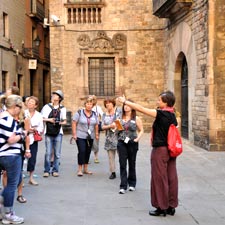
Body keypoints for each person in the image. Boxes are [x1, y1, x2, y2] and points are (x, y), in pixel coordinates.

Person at [117, 91, 179, 216]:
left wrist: (125, 101)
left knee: (159, 178)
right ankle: (171, 206)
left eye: (159, 100)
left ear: (166, 102)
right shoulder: (173, 115)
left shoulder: (161, 114)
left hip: (160, 150)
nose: (157, 102)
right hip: (171, 150)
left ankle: (161, 207)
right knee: (171, 177)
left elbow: (141, 108)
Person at [0, 95, 29, 224]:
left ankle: (4, 204)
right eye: (20, 107)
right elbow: (11, 140)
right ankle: (8, 214)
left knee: (14, 182)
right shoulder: (7, 119)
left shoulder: (4, 118)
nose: (20, 110)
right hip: (10, 154)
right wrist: (23, 133)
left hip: (6, 154)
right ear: (15, 106)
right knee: (12, 184)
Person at [115, 99, 143, 194]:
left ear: (132, 107)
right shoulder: (120, 118)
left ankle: (132, 184)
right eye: (124, 105)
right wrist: (116, 127)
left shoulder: (136, 118)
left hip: (132, 143)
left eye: (128, 105)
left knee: (132, 163)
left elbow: (141, 130)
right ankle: (123, 186)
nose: (126, 107)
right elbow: (118, 130)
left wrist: (137, 139)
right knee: (122, 164)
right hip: (122, 142)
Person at [41, 90, 67, 177]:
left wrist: (59, 122)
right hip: (48, 131)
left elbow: (65, 121)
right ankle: (47, 170)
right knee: (48, 152)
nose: (53, 96)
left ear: (59, 98)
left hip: (58, 132)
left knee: (57, 153)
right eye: (53, 95)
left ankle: (55, 170)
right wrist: (50, 120)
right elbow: (42, 118)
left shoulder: (63, 108)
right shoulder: (46, 107)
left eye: (55, 95)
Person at [72, 96, 99, 176]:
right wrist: (74, 134)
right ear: (85, 104)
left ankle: (86, 169)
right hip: (80, 135)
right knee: (82, 151)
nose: (89, 105)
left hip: (90, 136)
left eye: (91, 104)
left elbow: (96, 125)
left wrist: (97, 134)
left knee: (88, 152)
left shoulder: (94, 114)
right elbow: (74, 122)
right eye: (87, 104)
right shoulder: (79, 113)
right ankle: (80, 169)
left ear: (93, 105)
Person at [24, 96, 44, 185]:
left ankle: (31, 178)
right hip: (23, 139)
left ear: (36, 105)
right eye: (29, 102)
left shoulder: (39, 115)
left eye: (32, 102)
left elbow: (41, 128)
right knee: (21, 159)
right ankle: (20, 180)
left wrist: (32, 129)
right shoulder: (23, 113)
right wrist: (28, 129)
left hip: (33, 139)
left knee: (32, 159)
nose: (30, 103)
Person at [101, 97, 119, 179]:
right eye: (106, 103)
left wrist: (116, 126)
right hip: (109, 138)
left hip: (119, 137)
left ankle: (123, 171)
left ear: (113, 104)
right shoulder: (104, 115)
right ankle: (113, 172)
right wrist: (110, 126)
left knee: (122, 156)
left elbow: (121, 123)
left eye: (109, 102)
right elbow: (102, 126)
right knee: (111, 156)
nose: (108, 104)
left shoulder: (118, 112)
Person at [91, 95, 103, 163]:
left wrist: (100, 121)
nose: (92, 101)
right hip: (88, 127)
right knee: (88, 142)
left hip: (96, 126)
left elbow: (102, 115)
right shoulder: (87, 107)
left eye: (93, 99)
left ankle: (96, 157)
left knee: (96, 142)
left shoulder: (97, 108)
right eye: (91, 99)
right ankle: (87, 156)